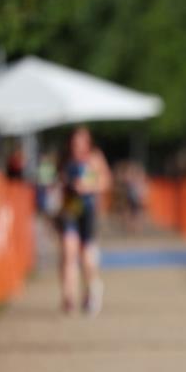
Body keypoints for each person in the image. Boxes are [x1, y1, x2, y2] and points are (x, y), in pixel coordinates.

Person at [57, 126, 111, 315]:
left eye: (80, 141)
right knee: (67, 250)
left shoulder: (94, 158)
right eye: (74, 142)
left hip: (87, 211)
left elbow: (105, 181)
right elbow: (57, 180)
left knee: (86, 256)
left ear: (87, 142)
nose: (76, 146)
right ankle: (68, 297)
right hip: (69, 209)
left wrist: (88, 186)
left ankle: (91, 291)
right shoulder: (65, 158)